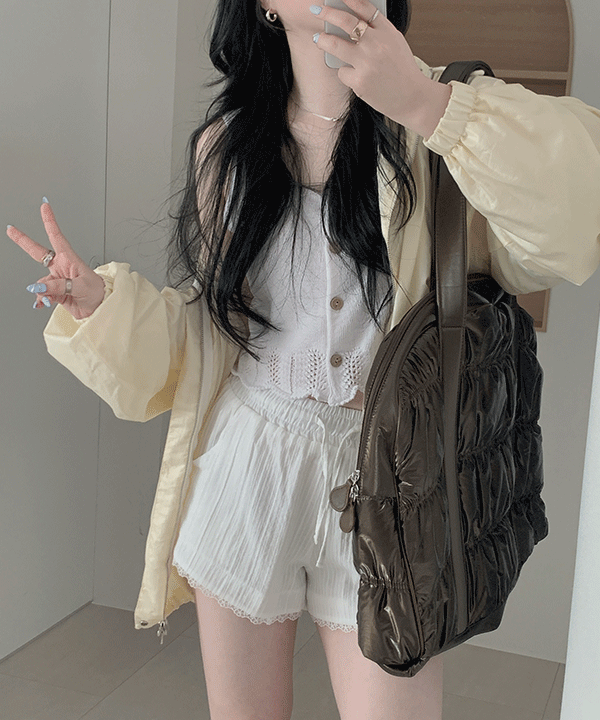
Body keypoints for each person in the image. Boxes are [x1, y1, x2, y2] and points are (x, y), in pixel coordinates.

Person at [7, 0, 600, 718]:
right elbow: (206, 333)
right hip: (250, 459)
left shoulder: (443, 118)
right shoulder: (227, 146)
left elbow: (578, 209)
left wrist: (427, 104)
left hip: (392, 475)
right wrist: (102, 305)